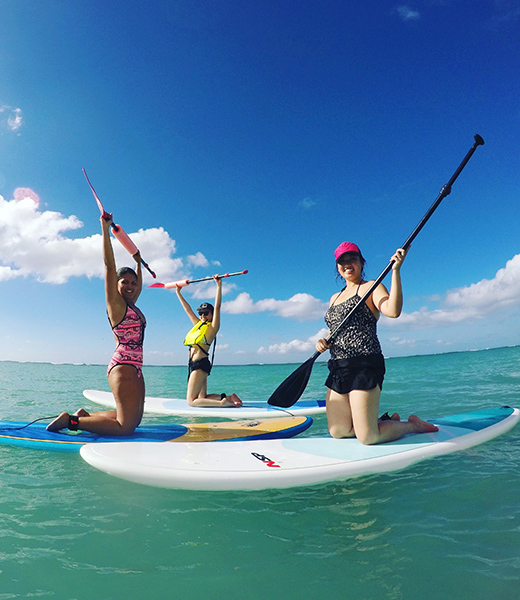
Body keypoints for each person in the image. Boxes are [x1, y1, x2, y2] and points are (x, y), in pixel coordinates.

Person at [315, 241, 438, 445]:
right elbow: (333, 330)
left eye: (352, 259)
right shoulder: (333, 298)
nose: (347, 264)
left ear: (361, 262)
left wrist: (396, 272)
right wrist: (323, 341)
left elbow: (392, 310)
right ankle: (385, 422)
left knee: (368, 437)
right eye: (342, 261)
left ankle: (412, 425)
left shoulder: (372, 286)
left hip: (364, 365)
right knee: (338, 431)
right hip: (338, 367)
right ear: (337, 267)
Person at [47, 214, 146, 434]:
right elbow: (109, 266)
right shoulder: (116, 305)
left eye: (132, 282)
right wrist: (104, 229)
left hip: (136, 367)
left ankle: (85, 416)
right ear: (116, 285)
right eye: (124, 282)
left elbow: (138, 288)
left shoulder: (132, 305)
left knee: (134, 422)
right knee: (125, 428)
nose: (130, 286)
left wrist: (138, 264)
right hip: (123, 366)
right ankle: (71, 422)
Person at [175, 275, 242, 407]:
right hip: (196, 365)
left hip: (200, 365)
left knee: (191, 401)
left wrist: (218, 285)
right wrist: (178, 292)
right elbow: (187, 309)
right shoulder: (198, 325)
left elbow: (217, 307)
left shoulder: (212, 328)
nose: (203, 316)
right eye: (201, 313)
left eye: (206, 313)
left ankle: (223, 403)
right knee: (202, 397)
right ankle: (228, 397)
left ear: (211, 314)